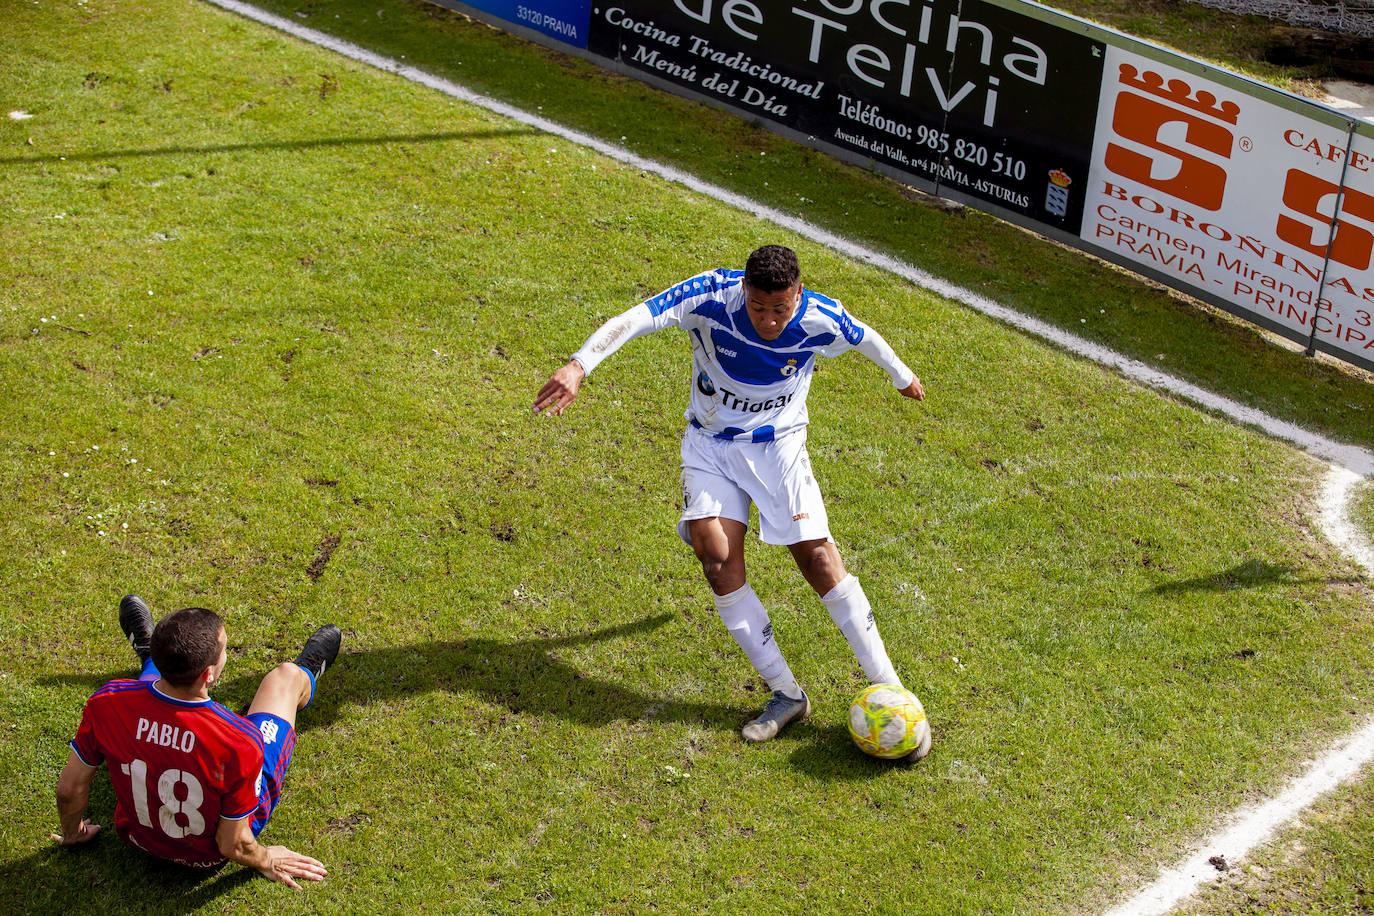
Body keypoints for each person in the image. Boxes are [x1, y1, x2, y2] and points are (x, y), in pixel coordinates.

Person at [533, 244, 929, 754]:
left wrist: (903, 378)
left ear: (798, 296)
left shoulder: (821, 319)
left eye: (780, 310)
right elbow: (637, 316)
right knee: (716, 557)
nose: (768, 320)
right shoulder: (709, 297)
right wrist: (579, 366)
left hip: (778, 447)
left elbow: (867, 338)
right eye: (759, 307)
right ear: (743, 290)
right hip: (711, 446)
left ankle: (893, 692)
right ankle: (786, 695)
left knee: (817, 558)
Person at [53, 595, 342, 888]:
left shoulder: (108, 702)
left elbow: (68, 789)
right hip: (208, 855)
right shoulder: (241, 742)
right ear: (209, 674)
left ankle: (150, 657)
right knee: (285, 678)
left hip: (136, 837)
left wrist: (72, 833)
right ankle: (307, 668)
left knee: (150, 689)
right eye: (224, 650)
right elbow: (232, 845)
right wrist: (267, 858)